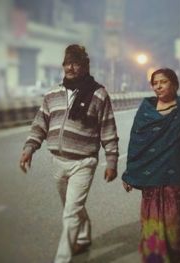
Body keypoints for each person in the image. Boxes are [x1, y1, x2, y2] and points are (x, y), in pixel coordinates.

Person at [19, 44, 119, 263]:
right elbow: (40, 125)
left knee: (70, 213)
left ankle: (62, 259)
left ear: (84, 66)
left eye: (76, 63)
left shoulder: (98, 94)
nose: (70, 67)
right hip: (58, 162)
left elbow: (108, 130)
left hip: (84, 162)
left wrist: (111, 161)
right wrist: (29, 149)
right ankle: (83, 236)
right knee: (71, 207)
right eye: (67, 63)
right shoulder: (52, 94)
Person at [122, 68, 180, 263]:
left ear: (174, 84)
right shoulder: (145, 111)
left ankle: (177, 258)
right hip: (151, 179)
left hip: (177, 178)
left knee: (173, 226)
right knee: (151, 225)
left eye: (163, 82)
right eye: (155, 83)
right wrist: (130, 173)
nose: (158, 86)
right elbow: (136, 144)